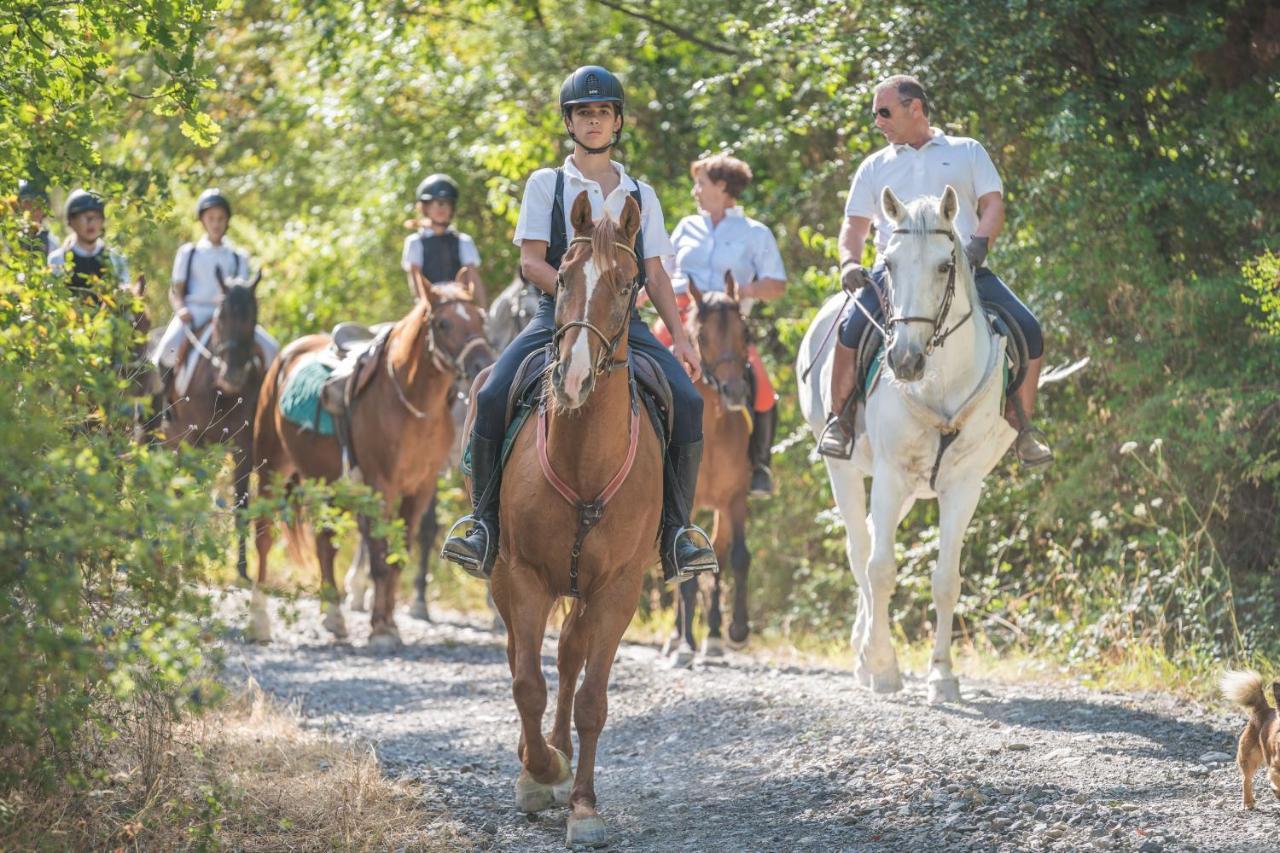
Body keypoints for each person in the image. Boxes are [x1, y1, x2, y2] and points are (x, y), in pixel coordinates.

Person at [441, 65, 717, 584]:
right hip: (557, 317)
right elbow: (531, 263)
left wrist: (680, 338)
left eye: (603, 113)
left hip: (624, 322)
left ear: (617, 122)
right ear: (570, 122)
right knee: (494, 392)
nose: (594, 121)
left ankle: (677, 535)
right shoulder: (547, 184)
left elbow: (655, 272)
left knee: (690, 401)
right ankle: (482, 528)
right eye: (583, 113)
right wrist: (579, 303)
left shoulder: (643, 193)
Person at [818, 74, 1053, 467]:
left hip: (960, 269)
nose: (878, 121)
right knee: (849, 331)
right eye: (875, 113)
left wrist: (979, 242)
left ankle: (1022, 425)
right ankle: (839, 421)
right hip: (893, 276)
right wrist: (849, 261)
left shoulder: (967, 151)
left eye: (885, 112)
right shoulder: (874, 166)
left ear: (915, 108)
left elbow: (992, 203)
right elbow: (854, 226)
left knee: (1029, 329)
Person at [658, 153, 787, 497]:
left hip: (727, 323)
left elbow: (776, 284)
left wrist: (743, 290)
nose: (695, 190)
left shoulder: (755, 233)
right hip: (679, 316)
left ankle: (758, 465)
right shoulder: (686, 226)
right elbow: (664, 273)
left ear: (722, 187)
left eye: (701, 183)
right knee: (639, 368)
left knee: (762, 392)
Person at [151, 188, 278, 383]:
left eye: (220, 218)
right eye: (211, 218)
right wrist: (181, 309)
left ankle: (266, 403)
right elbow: (177, 291)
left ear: (227, 221)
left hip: (230, 318)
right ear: (203, 221)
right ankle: (162, 406)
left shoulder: (237, 256)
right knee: (165, 352)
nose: (216, 223)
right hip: (195, 312)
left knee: (272, 350)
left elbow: (243, 296)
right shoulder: (189, 253)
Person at [401, 173, 488, 307]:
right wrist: (425, 303)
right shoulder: (415, 242)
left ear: (452, 208)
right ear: (426, 207)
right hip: (431, 301)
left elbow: (473, 278)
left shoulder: (463, 241)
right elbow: (415, 279)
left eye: (447, 204)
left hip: (459, 300)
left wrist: (482, 309)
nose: (442, 208)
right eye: (437, 203)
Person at [48, 189, 130, 304]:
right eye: (84, 217)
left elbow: (126, 303)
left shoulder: (116, 257)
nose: (91, 223)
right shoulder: (58, 259)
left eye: (96, 216)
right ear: (71, 221)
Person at [15, 179, 58, 257]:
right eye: (28, 202)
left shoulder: (52, 244)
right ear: (19, 206)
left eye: (38, 204)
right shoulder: (8, 237)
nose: (33, 208)